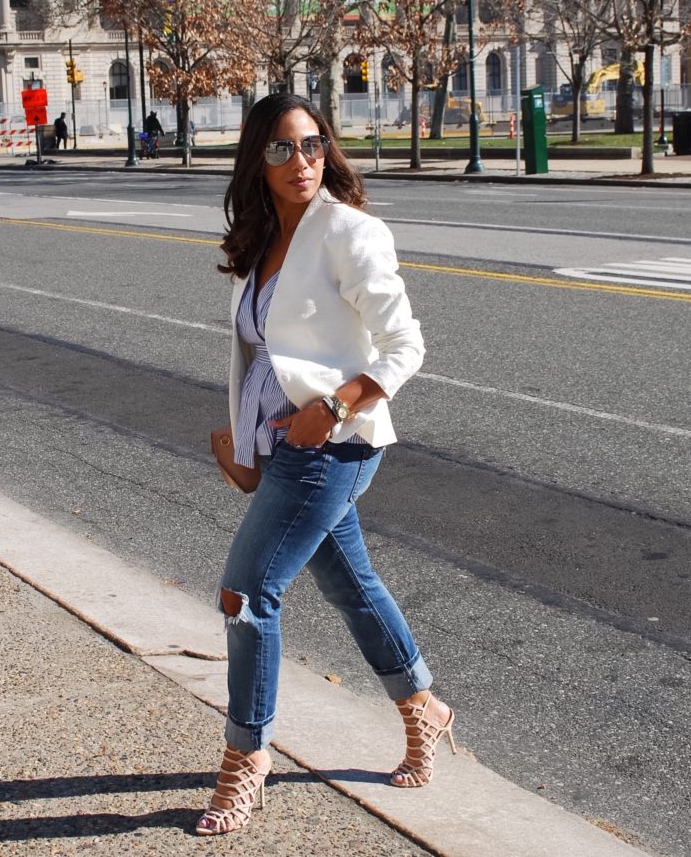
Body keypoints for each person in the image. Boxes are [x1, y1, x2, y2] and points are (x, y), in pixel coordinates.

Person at [197, 92, 454, 837]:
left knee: (246, 595)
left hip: (333, 444)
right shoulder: (263, 239)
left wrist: (334, 408)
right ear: (257, 161)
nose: (301, 161)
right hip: (283, 444)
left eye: (312, 144)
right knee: (349, 584)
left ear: (327, 148)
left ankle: (246, 760)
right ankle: (423, 708)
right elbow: (263, 353)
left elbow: (405, 346)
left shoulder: (350, 231)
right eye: (280, 149)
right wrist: (247, 442)